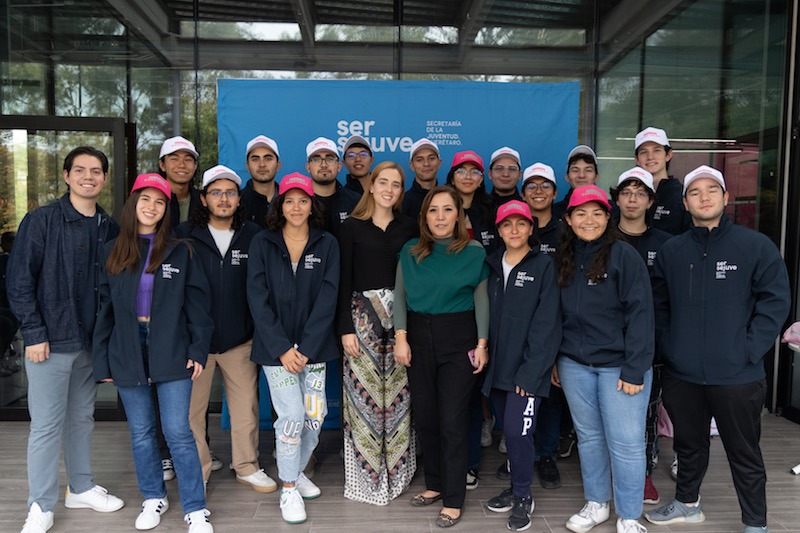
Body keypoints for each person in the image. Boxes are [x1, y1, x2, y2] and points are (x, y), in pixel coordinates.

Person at [645, 166, 790, 533]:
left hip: (738, 375)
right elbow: (658, 306)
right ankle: (687, 504)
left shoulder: (754, 246)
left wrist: (749, 349)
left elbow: (775, 302)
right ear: (684, 202)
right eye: (695, 192)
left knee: (744, 452)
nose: (704, 197)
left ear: (726, 198)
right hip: (683, 374)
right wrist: (670, 346)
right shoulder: (672, 250)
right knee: (688, 446)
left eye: (712, 190)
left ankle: (755, 523)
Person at [7, 146, 124, 533]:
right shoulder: (41, 221)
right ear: (67, 175)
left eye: (96, 171)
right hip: (50, 342)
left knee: (81, 419)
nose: (89, 176)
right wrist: (34, 332)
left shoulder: (108, 227)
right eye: (81, 170)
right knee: (45, 425)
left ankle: (81, 486)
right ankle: (40, 505)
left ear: (104, 179)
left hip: (88, 344)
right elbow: (19, 281)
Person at [92, 173, 214, 532]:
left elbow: (198, 308)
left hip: (171, 346)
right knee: (142, 431)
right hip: (127, 346)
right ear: (133, 204)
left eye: (160, 202)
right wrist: (103, 358)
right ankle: (153, 497)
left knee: (177, 430)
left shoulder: (181, 250)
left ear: (166, 210)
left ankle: (195, 507)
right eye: (145, 199)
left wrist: (198, 350)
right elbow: (104, 308)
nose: (152, 207)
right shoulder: (112, 250)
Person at [554, 184, 654, 533]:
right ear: (568, 218)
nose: (589, 220)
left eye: (597, 212)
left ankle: (629, 515)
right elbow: (555, 316)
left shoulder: (624, 256)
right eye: (580, 213)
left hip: (620, 367)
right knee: (590, 438)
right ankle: (597, 503)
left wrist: (635, 368)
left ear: (608, 217)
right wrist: (556, 359)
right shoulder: (564, 257)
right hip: (574, 364)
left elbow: (641, 315)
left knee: (626, 444)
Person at [247, 172, 340, 525]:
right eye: (289, 200)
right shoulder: (263, 243)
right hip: (275, 352)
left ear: (312, 205)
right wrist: (284, 348)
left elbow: (328, 297)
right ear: (279, 205)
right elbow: (257, 299)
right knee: (291, 418)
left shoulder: (327, 243)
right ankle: (288, 488)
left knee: (314, 417)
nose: (296, 206)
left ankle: (296, 469)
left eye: (303, 200)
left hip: (314, 351)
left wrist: (306, 347)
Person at [394, 185, 489, 528]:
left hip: (459, 337)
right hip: (418, 337)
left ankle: (453, 497)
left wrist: (482, 343)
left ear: (459, 215)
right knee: (428, 417)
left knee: (452, 420)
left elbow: (481, 300)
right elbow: (400, 296)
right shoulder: (410, 250)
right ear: (424, 217)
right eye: (433, 210)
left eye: (448, 210)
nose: (440, 217)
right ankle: (434, 484)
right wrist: (401, 339)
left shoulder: (475, 252)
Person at [178, 165, 274, 492]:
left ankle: (246, 466)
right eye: (216, 192)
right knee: (191, 414)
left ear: (238, 199)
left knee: (246, 409)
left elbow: (264, 288)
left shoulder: (255, 235)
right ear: (203, 199)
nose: (223, 198)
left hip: (239, 340)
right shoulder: (183, 236)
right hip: (195, 344)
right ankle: (199, 470)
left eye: (230, 192)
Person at [338, 161, 419, 505]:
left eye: (396, 184)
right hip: (363, 323)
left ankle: (398, 473)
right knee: (365, 403)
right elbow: (341, 281)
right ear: (370, 185)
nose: (388, 189)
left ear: (402, 191)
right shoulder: (351, 227)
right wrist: (344, 328)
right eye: (382, 182)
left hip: (402, 323)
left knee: (399, 402)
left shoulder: (411, 227)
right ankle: (366, 479)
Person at [483, 200, 561, 531]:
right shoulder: (490, 265)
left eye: (521, 224)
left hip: (527, 371)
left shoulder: (544, 265)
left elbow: (548, 324)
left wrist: (531, 372)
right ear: (499, 230)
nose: (514, 230)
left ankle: (524, 496)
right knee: (511, 432)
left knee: (518, 432)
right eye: (507, 224)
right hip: (496, 368)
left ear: (531, 228)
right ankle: (516, 487)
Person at [609, 167, 672, 506]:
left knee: (645, 414)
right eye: (626, 192)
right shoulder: (603, 238)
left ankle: (643, 474)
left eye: (640, 193)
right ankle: (611, 472)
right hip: (606, 343)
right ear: (616, 198)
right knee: (609, 415)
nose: (632, 199)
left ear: (650, 201)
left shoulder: (666, 245)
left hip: (652, 345)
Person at [519, 162, 566, 489]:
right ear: (523, 193)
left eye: (544, 185)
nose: (538, 191)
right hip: (519, 323)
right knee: (519, 391)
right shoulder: (515, 227)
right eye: (532, 186)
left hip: (559, 320)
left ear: (555, 192)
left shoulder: (567, 230)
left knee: (550, 392)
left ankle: (546, 454)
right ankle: (521, 454)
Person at [633, 127, 690, 235]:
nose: (650, 157)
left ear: (668, 155)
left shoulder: (681, 195)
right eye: (644, 152)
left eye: (657, 150)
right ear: (637, 160)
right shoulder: (628, 196)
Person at [305, 137, 360, 237]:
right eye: (316, 159)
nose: (324, 165)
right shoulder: (298, 204)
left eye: (330, 159)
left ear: (339, 166)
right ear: (308, 167)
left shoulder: (355, 201)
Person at [159, 136, 202, 229]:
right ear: (162, 165)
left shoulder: (204, 201)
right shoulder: (151, 203)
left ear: (195, 166)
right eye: (174, 159)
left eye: (188, 160)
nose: (182, 165)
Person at [240, 135, 282, 228]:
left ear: (278, 165)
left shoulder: (289, 201)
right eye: (255, 159)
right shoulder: (237, 203)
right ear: (247, 166)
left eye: (268, 159)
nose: (262, 164)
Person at [552, 145, 601, 220]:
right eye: (575, 170)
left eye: (588, 170)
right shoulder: (555, 212)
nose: (581, 175)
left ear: (596, 177)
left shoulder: (611, 209)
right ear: (567, 177)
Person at [402, 138, 442, 220]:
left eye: (431, 158)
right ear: (412, 166)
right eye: (419, 160)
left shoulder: (448, 199)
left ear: (439, 162)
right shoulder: (403, 202)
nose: (426, 164)